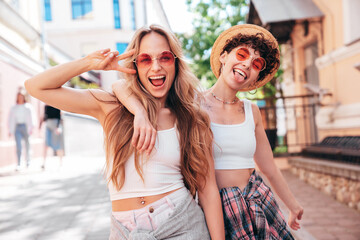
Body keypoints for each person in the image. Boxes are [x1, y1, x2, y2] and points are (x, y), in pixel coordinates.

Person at [25, 25, 224, 239]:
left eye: (164, 57)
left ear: (175, 62)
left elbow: (208, 190)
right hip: (125, 231)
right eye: (145, 59)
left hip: (181, 225)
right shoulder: (111, 106)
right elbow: (36, 87)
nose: (155, 67)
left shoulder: (191, 118)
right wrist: (89, 63)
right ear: (135, 66)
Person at [114, 24, 304, 239]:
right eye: (241, 54)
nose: (246, 64)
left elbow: (269, 167)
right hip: (221, 206)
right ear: (223, 56)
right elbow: (119, 87)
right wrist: (138, 111)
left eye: (256, 63)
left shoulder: (252, 111)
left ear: (256, 76)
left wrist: (293, 205)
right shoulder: (191, 104)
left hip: (257, 197)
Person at [8, 90, 34, 171]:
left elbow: (32, 118)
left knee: (27, 145)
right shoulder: (13, 108)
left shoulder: (28, 107)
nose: (20, 98)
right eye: (19, 97)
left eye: (22, 96)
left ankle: (28, 161)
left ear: (24, 97)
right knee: (18, 146)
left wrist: (31, 128)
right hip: (17, 128)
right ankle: (19, 163)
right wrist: (10, 130)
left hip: (25, 127)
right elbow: (10, 120)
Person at [39, 105, 64, 169]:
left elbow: (59, 116)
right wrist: (40, 125)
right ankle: (43, 163)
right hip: (48, 125)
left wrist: (58, 127)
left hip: (56, 125)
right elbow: (45, 116)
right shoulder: (46, 105)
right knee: (46, 144)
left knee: (58, 144)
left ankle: (60, 163)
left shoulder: (56, 104)